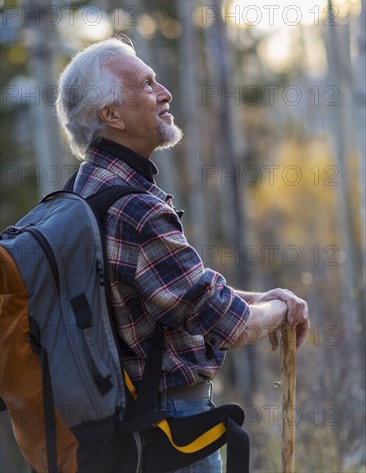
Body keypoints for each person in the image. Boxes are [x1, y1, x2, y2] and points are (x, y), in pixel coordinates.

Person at [56, 36, 309, 473]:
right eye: (145, 84)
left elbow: (182, 290)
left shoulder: (84, 189)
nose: (164, 92)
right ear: (110, 115)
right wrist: (282, 309)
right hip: (166, 426)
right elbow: (230, 326)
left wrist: (263, 298)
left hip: (121, 425)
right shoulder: (135, 208)